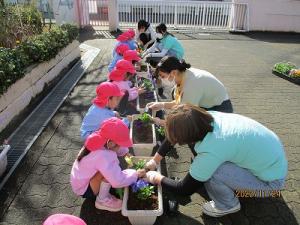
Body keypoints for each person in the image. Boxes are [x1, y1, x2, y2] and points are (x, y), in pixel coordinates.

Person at [144, 104, 288, 217]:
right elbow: (175, 133)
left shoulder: (214, 147)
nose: (176, 140)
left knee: (213, 172)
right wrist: (155, 160)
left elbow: (184, 189)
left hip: (270, 187)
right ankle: (234, 187)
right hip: (271, 164)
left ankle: (227, 205)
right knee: (206, 168)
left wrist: (157, 177)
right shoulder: (202, 118)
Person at [71, 118, 145, 211]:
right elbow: (118, 180)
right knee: (109, 172)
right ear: (110, 143)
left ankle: (102, 193)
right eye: (120, 144)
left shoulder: (98, 138)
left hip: (80, 180)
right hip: (84, 189)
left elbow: (114, 145)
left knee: (107, 169)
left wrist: (125, 153)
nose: (121, 146)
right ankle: (102, 200)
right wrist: (136, 174)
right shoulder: (104, 156)